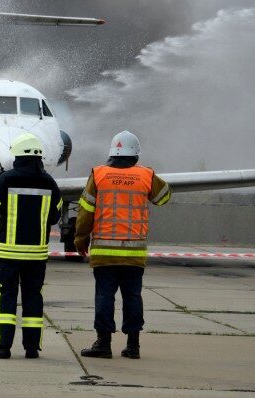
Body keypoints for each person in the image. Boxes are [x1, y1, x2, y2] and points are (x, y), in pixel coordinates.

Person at [74, 130, 171, 359]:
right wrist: (147, 176)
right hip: (133, 254)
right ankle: (133, 345)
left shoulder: (99, 174)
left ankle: (103, 344)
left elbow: (85, 211)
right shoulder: (146, 175)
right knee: (133, 297)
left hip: (104, 253)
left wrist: (80, 238)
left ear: (112, 153)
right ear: (136, 153)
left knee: (104, 297)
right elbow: (164, 197)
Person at [0, 133, 62, 359]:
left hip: (9, 254)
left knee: (6, 298)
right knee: (33, 299)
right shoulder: (50, 183)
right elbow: (55, 217)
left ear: (18, 156)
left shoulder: (6, 180)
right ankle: (31, 348)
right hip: (37, 256)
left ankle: (3, 347)